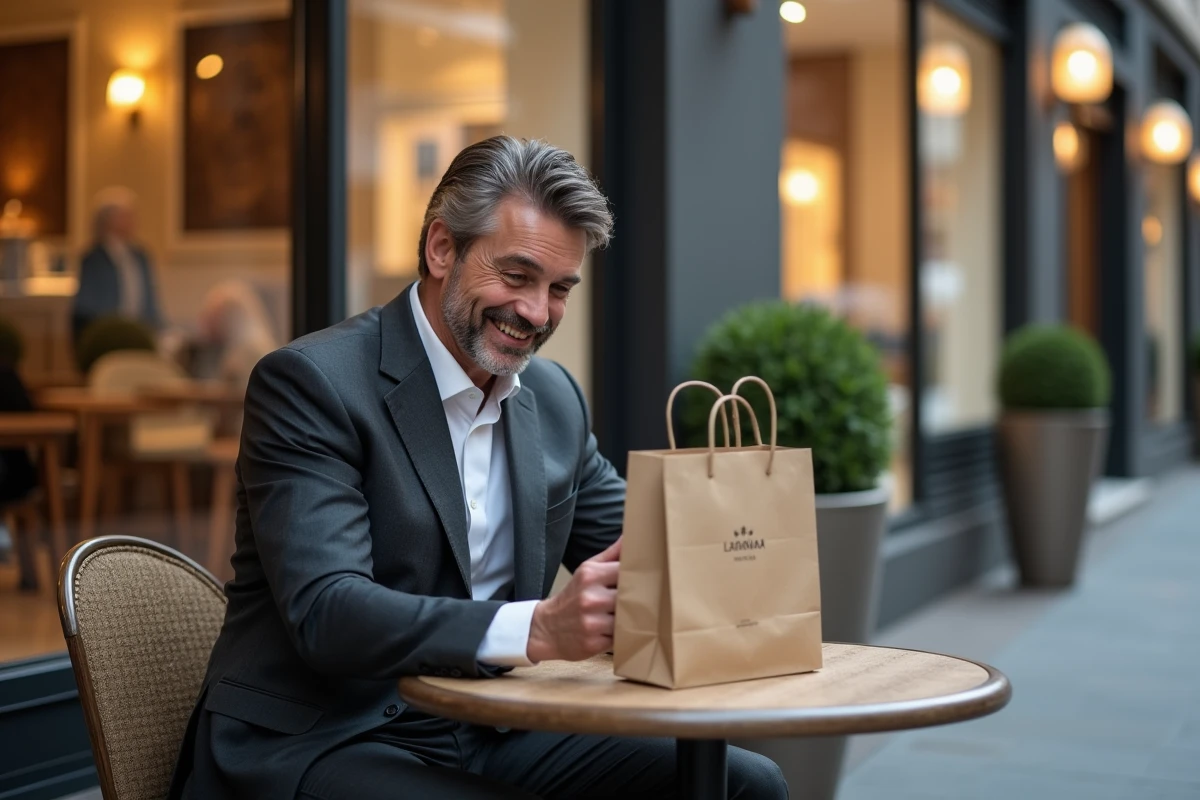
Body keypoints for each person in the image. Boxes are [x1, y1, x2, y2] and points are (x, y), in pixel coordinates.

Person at [168, 136, 788, 800]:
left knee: (746, 784)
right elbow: (329, 612)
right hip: (322, 737)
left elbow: (648, 550)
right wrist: (542, 628)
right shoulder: (312, 384)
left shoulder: (553, 400)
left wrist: (737, 544)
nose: (536, 312)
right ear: (442, 248)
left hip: (488, 723)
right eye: (517, 276)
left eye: (559, 289)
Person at [71, 187, 163, 345]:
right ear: (109, 220)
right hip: (108, 336)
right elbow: (86, 306)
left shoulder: (141, 256)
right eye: (126, 216)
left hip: (140, 332)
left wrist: (160, 330)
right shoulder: (93, 259)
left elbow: (151, 302)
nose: (133, 221)